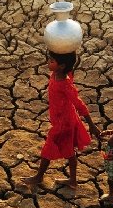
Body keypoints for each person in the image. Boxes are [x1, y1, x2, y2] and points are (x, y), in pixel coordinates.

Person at [21, 50, 100, 190]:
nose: (48, 62)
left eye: (52, 61)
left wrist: (92, 125)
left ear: (62, 66)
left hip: (64, 122)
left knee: (49, 147)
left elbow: (79, 103)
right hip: (61, 119)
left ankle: (39, 176)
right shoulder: (56, 74)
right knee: (69, 151)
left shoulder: (65, 83)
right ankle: (73, 180)